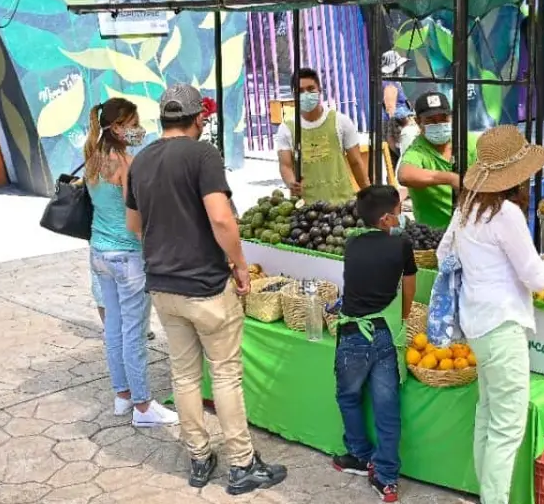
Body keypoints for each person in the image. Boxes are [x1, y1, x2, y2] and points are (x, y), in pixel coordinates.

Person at [126, 83, 286, 494]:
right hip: (206, 287)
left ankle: (199, 456)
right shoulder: (203, 154)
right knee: (226, 375)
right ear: (199, 119)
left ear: (163, 117)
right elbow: (221, 219)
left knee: (183, 374)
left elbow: (134, 226)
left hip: (162, 287)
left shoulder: (140, 161)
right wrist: (240, 265)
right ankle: (241, 463)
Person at [435, 126, 544, 504]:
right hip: (503, 327)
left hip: (477, 325)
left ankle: (488, 495)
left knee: (488, 416)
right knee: (506, 428)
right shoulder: (505, 213)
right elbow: (535, 278)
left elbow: (443, 256)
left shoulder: (468, 206)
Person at [85, 96, 179, 425]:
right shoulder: (125, 163)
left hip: (99, 253)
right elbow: (134, 216)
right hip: (127, 257)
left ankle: (122, 395)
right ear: (118, 128)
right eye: (134, 124)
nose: (139, 130)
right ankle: (143, 406)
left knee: (113, 327)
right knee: (135, 332)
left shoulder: (93, 158)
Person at [332, 185, 416, 502]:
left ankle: (358, 453)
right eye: (397, 212)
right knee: (387, 407)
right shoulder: (402, 245)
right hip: (384, 334)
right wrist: (405, 317)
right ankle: (387, 477)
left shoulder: (351, 244)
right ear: (384, 220)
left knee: (349, 395)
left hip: (352, 333)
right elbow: (409, 285)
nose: (401, 218)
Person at [276, 68, 368, 204]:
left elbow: (356, 162)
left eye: (310, 88)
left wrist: (368, 193)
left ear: (320, 90)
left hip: (342, 202)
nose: (306, 94)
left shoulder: (341, 121)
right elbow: (285, 165)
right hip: (307, 207)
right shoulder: (287, 128)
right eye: (300, 91)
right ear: (293, 95)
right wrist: (291, 182)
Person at [396, 91, 478, 229]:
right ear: (418, 122)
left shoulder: (467, 141)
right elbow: (405, 175)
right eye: (431, 120)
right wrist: (450, 178)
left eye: (443, 119)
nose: (439, 124)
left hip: (473, 228)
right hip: (436, 234)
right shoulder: (418, 150)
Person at [380, 50, 417, 162]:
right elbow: (391, 110)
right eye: (400, 66)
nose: (402, 69)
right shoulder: (389, 84)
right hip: (397, 129)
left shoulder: (393, 82)